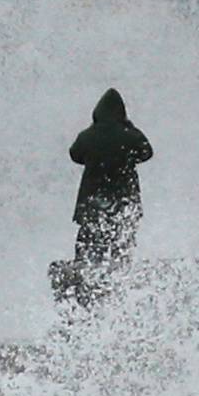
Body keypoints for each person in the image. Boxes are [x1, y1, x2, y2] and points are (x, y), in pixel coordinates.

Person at [69, 89, 155, 274]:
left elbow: (75, 154)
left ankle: (84, 266)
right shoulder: (129, 134)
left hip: (93, 194)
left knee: (89, 232)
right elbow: (146, 152)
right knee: (122, 230)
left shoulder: (87, 135)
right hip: (123, 193)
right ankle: (121, 265)